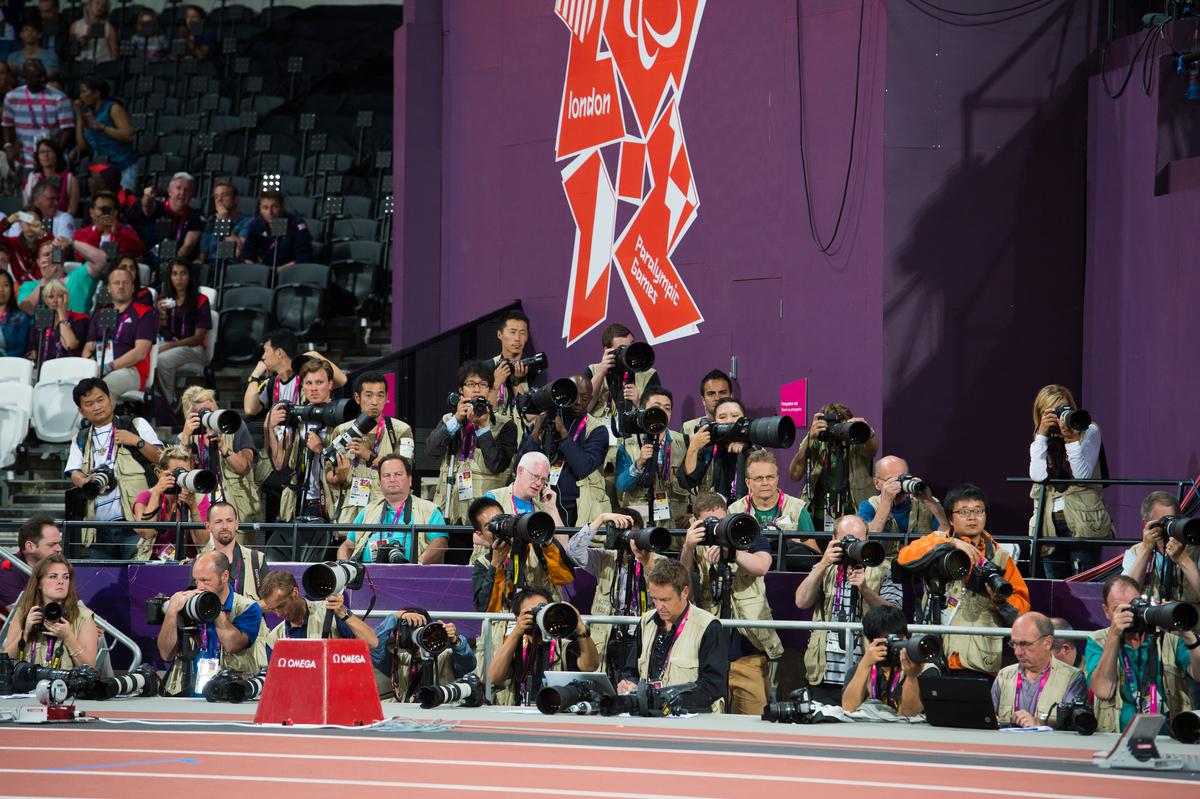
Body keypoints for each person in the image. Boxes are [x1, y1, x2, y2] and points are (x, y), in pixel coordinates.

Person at [897, 483, 1030, 677]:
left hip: (976, 658)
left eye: (978, 511)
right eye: (964, 511)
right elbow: (904, 557)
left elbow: (1022, 611)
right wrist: (950, 543)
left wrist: (1001, 600)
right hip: (931, 653)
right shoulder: (936, 542)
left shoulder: (1000, 557)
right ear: (951, 518)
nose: (972, 517)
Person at [681, 491, 780, 715]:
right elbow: (682, 587)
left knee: (754, 723)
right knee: (708, 724)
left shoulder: (745, 531)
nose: (717, 527)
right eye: (710, 522)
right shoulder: (694, 543)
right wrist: (688, 548)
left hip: (749, 654)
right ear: (696, 521)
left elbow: (762, 566)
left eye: (721, 520)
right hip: (709, 659)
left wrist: (733, 553)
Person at [796, 514, 901, 704]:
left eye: (858, 541)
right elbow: (801, 601)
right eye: (846, 540)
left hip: (870, 673)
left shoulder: (885, 568)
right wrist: (822, 564)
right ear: (833, 540)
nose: (852, 546)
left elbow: (894, 616)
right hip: (824, 672)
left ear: (868, 539)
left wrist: (865, 589)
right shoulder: (825, 568)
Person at [1085, 574, 1200, 733]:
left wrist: (1187, 633)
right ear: (1106, 611)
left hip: (1168, 738)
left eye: (1134, 606)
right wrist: (1114, 636)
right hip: (1116, 737)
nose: (1129, 614)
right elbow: (1103, 691)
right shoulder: (1098, 641)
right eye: (1119, 609)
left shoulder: (1170, 638)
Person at [65, 377, 162, 560]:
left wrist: (137, 442)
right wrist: (84, 481)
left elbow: (162, 458)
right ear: (81, 410)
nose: (97, 407)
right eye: (89, 403)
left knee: (137, 580)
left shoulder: (135, 424)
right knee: (104, 583)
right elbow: (74, 472)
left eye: (100, 399)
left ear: (110, 398)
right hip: (99, 527)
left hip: (136, 524)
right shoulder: (81, 438)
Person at [617, 558, 728, 713]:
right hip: (650, 715)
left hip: (692, 719)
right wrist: (628, 683)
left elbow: (713, 686)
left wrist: (668, 699)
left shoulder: (708, 627)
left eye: (665, 600)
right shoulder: (646, 622)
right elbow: (631, 671)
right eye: (654, 599)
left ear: (684, 592)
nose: (658, 606)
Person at [567, 509, 665, 679]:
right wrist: (601, 518)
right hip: (606, 638)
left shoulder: (658, 561)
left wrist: (646, 562)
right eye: (623, 533)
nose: (629, 540)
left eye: (633, 534)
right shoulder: (605, 558)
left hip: (641, 637)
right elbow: (573, 551)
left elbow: (666, 590)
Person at [1028, 384, 1114, 578]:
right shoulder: (1043, 438)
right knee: (1055, 587)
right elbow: (1038, 476)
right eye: (1054, 411)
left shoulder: (1089, 429)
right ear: (1042, 414)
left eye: (1064, 409)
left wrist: (1071, 439)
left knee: (1083, 583)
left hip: (1083, 519)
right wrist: (1040, 436)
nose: (1061, 416)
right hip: (1050, 522)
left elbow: (1082, 474)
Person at [157, 551, 265, 697]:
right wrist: (172, 612)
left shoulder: (248, 608)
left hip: (228, 695)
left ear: (224, 576)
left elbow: (233, 645)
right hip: (187, 695)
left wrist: (213, 608)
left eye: (206, 581)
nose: (200, 587)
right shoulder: (187, 606)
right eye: (196, 580)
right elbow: (165, 653)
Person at [426, 360, 517, 524]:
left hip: (484, 515)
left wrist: (483, 428)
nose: (477, 389)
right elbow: (431, 451)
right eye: (471, 384)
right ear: (461, 389)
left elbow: (497, 465)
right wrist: (456, 419)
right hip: (449, 510)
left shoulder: (505, 425)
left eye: (483, 384)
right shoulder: (449, 420)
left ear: (489, 390)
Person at [266, 358, 350, 523]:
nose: (313, 388)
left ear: (330, 384)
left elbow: (347, 469)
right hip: (300, 500)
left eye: (319, 382)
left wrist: (320, 448)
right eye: (308, 383)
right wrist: (269, 428)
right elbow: (279, 464)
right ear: (302, 386)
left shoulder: (343, 419)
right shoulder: (297, 419)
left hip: (331, 501)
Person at [519, 373, 609, 527]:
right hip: (538, 502)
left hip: (578, 507)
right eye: (575, 396)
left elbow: (583, 467)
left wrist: (564, 434)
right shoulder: (546, 420)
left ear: (591, 398)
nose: (579, 402)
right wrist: (536, 431)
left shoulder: (597, 429)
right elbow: (520, 466)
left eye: (585, 397)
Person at [484, 588, 597, 706]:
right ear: (517, 617)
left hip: (558, 713)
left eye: (543, 610)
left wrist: (580, 628)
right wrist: (517, 631)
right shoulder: (517, 648)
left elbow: (590, 666)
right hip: (522, 714)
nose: (538, 616)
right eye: (531, 612)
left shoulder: (565, 646)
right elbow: (494, 677)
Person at [328, 371, 415, 523]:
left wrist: (369, 455)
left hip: (387, 513)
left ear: (387, 398)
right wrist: (338, 477)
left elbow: (406, 467)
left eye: (380, 395)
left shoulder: (400, 429)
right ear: (357, 398)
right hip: (349, 515)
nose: (375, 401)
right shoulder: (342, 431)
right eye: (368, 395)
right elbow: (329, 473)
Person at [470, 490, 574, 613]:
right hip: (507, 629)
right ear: (480, 534)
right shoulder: (484, 564)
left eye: (501, 519)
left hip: (544, 621)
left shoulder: (538, 547)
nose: (499, 527)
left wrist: (545, 540)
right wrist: (496, 565)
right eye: (490, 526)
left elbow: (565, 578)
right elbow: (486, 609)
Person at [337, 455, 448, 564]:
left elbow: (440, 543)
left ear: (410, 480)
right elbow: (347, 545)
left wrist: (417, 566)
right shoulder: (368, 511)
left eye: (398, 474)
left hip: (412, 576)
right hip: (368, 575)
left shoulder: (429, 509)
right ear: (379, 483)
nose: (392, 479)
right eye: (386, 475)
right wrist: (345, 566)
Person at [178, 386, 261, 525]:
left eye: (212, 411)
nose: (210, 417)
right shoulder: (185, 436)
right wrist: (186, 439)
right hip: (199, 504)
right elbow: (181, 475)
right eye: (203, 414)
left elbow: (244, 468)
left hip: (235, 505)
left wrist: (223, 447)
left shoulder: (235, 427)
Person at [788, 403, 878, 531]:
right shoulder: (818, 440)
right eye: (833, 426)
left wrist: (867, 431)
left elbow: (873, 450)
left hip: (855, 513)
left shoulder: (857, 441)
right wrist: (810, 438)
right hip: (820, 515)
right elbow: (795, 474)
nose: (837, 431)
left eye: (842, 427)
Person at [991, 611, 1088, 729]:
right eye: (1014, 644)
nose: (1017, 652)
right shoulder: (1004, 676)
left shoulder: (1072, 678)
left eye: (1025, 644)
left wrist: (1039, 724)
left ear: (1047, 643)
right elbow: (988, 716)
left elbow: (1073, 726)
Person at [3, 555, 99, 670]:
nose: (61, 582)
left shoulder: (83, 616)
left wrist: (68, 637)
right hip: (27, 686)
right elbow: (6, 663)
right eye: (53, 577)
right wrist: (25, 632)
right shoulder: (23, 612)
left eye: (66, 577)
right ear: (39, 584)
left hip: (64, 686)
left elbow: (89, 668)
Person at [615, 386, 690, 528]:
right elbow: (621, 485)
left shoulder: (683, 442)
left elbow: (694, 482)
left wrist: (692, 512)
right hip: (640, 526)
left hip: (675, 526)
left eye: (667, 408)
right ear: (643, 411)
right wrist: (639, 463)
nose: (663, 412)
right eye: (657, 407)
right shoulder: (628, 444)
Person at [79, 266, 157, 397]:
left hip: (131, 370)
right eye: (116, 283)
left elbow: (140, 352)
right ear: (108, 288)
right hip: (98, 369)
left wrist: (108, 367)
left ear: (132, 287)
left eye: (125, 283)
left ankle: (100, 418)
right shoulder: (99, 314)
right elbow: (88, 348)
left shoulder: (144, 313)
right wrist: (91, 367)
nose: (121, 286)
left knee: (102, 389)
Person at [258, 570, 377, 655]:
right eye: (273, 609)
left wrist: (343, 613)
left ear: (295, 593)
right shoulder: (274, 639)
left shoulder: (330, 612)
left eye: (281, 606)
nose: (278, 614)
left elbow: (372, 642)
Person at [371, 607, 476, 701]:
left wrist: (456, 641)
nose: (416, 644)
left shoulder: (447, 657)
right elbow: (373, 648)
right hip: (408, 718)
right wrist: (395, 616)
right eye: (408, 637)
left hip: (443, 716)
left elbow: (469, 664)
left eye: (421, 634)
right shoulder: (398, 662)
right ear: (399, 640)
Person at [841, 605, 926, 716]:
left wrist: (911, 677)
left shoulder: (923, 668)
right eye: (888, 640)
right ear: (872, 642)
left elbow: (909, 713)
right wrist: (864, 664)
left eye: (899, 638)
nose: (895, 645)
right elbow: (848, 708)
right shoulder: (860, 669)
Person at [728, 449, 815, 558]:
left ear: (777, 479)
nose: (765, 483)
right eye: (759, 478)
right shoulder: (735, 510)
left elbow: (814, 555)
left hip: (785, 572)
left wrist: (796, 545)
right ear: (748, 483)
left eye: (770, 477)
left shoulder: (797, 508)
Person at [859, 455, 948, 559]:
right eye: (892, 480)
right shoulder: (869, 506)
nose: (900, 484)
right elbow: (868, 544)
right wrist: (886, 502)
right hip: (884, 565)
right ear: (877, 483)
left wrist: (929, 501)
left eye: (904, 478)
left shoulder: (929, 503)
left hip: (921, 562)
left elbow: (947, 535)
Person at [1121, 490, 1200, 606]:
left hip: (1190, 621)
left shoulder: (1196, 550)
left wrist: (1183, 559)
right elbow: (1126, 597)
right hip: (1151, 621)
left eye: (1173, 521)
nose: (1169, 527)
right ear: (1146, 524)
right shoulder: (1136, 552)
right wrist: (1145, 549)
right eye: (1163, 522)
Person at [243, 330, 346, 416]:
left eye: (266, 351)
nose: (263, 357)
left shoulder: (307, 378)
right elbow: (250, 410)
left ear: (279, 352)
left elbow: (342, 380)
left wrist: (314, 354)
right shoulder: (271, 383)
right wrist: (254, 376)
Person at [132, 445, 208, 561]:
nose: (180, 478)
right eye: (176, 473)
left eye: (185, 473)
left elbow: (202, 542)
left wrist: (193, 507)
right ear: (160, 473)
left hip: (191, 564)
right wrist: (156, 493)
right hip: (153, 563)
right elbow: (146, 533)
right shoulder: (145, 497)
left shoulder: (198, 498)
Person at [153, 258, 210, 405]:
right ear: (169, 277)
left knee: (162, 360)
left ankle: (167, 403)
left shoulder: (201, 300)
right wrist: (161, 315)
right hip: (169, 345)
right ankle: (155, 400)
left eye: (183, 273)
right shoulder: (163, 300)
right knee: (148, 355)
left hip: (195, 349)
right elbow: (159, 331)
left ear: (190, 276)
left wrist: (171, 345)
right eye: (175, 274)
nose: (179, 278)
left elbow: (198, 338)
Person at [2, 59, 73, 173]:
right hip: (24, 159)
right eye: (37, 76)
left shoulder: (59, 97)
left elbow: (67, 130)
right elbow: (7, 125)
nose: (43, 79)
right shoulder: (12, 97)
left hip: (52, 161)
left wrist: (55, 154)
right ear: (25, 77)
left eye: (43, 75)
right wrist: (8, 146)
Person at [678, 397, 754, 502]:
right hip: (713, 511)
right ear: (714, 422)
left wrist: (746, 451)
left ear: (744, 419)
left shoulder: (753, 447)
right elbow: (687, 481)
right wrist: (693, 447)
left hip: (745, 512)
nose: (729, 421)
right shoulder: (709, 448)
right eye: (722, 417)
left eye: (735, 416)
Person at [585, 322, 660, 420]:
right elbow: (585, 407)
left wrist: (639, 403)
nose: (628, 352)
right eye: (622, 348)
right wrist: (601, 373)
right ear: (607, 350)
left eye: (631, 346)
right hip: (600, 432)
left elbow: (656, 419)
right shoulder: (593, 370)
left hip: (633, 433)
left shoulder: (648, 374)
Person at [73, 78, 137, 192]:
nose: (81, 96)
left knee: (122, 203)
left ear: (97, 93)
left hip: (122, 166)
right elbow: (83, 146)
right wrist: (79, 117)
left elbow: (129, 136)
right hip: (101, 169)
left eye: (84, 92)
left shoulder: (113, 108)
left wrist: (102, 127)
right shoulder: (89, 114)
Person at [196, 502, 266, 601]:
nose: (225, 526)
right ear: (208, 527)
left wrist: (240, 609)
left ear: (236, 524)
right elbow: (194, 598)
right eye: (218, 521)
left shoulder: (256, 559)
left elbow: (269, 602)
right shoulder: (200, 561)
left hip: (248, 616)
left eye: (229, 521)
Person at [129, 172, 204, 261]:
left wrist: (171, 266)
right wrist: (147, 197)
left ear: (192, 194)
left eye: (187, 189)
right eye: (178, 188)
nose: (182, 193)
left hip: (176, 264)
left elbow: (188, 246)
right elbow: (147, 206)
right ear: (169, 191)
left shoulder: (196, 216)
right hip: (149, 259)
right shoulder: (159, 208)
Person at [0, 514, 62, 609]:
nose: (59, 549)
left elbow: (78, 606)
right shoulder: (6, 572)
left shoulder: (59, 568)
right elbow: (22, 615)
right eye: (52, 544)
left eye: (59, 543)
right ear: (30, 546)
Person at [240, 191, 312, 268]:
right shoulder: (256, 224)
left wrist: (276, 271)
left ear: (283, 206)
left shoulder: (296, 223)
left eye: (274, 207)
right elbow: (247, 253)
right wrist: (255, 270)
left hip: (290, 271)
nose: (270, 212)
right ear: (260, 209)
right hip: (263, 272)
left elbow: (303, 258)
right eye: (265, 207)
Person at [24, 278, 86, 360]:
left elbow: (70, 345)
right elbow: (33, 350)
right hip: (45, 368)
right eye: (51, 297)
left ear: (66, 297)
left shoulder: (79, 318)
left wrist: (62, 314)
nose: (55, 300)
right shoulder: (42, 319)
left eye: (60, 296)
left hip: (70, 368)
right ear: (45, 300)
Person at [73, 190, 145, 257]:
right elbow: (80, 256)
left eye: (108, 209)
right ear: (91, 212)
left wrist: (118, 234)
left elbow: (138, 251)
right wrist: (97, 232)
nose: (105, 213)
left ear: (115, 212)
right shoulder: (81, 234)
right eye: (101, 209)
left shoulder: (126, 231)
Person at [489, 309, 534, 414]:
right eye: (512, 332)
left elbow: (532, 415)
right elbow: (482, 414)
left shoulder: (534, 371)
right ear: (499, 334)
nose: (517, 338)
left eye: (522, 333)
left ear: (527, 336)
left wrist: (517, 382)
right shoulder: (487, 368)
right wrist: (496, 384)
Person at [198, 180, 253, 263]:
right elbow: (202, 256)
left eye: (224, 195)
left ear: (236, 200)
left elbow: (238, 252)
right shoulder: (211, 223)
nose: (219, 200)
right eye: (216, 197)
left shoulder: (248, 222)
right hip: (211, 266)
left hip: (231, 266)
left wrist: (223, 223)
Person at [20, 138, 76, 218]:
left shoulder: (70, 178)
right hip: (34, 222)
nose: (45, 155)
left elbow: (72, 210)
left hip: (60, 222)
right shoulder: (32, 177)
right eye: (42, 152)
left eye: (49, 151)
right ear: (38, 157)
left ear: (56, 154)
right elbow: (26, 206)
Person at [1, 209, 50, 283]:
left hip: (44, 285)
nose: (30, 224)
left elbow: (58, 256)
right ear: (20, 224)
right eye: (27, 219)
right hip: (20, 288)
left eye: (35, 221)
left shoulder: (47, 242)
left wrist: (42, 232)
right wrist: (7, 222)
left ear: (40, 223)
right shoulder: (12, 243)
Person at [681, 369, 733, 439]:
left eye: (722, 392)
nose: (717, 398)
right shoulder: (688, 428)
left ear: (731, 396)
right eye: (711, 394)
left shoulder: (742, 426)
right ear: (703, 399)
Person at [68, 0, 118, 64]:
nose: (100, 7)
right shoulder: (75, 26)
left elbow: (115, 53)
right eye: (97, 3)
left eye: (103, 6)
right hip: (80, 64)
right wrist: (79, 44)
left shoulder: (108, 27)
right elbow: (70, 50)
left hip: (102, 64)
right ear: (89, 4)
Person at [0, 270, 31, 356]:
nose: (1, 289)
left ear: (11, 289)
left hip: (9, 365)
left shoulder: (22, 317)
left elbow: (20, 349)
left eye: (5, 285)